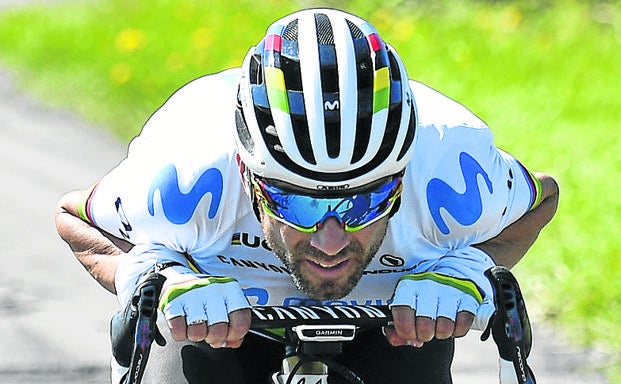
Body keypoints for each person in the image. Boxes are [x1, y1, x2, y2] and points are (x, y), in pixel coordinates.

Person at [55, 8, 559, 384]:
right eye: (298, 204)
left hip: (391, 321)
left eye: (365, 202)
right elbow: (74, 217)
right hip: (216, 323)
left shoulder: (451, 169)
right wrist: (154, 277)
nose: (332, 240)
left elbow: (540, 201)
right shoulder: (183, 177)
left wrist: (464, 269)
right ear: (248, 176)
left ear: (403, 176)